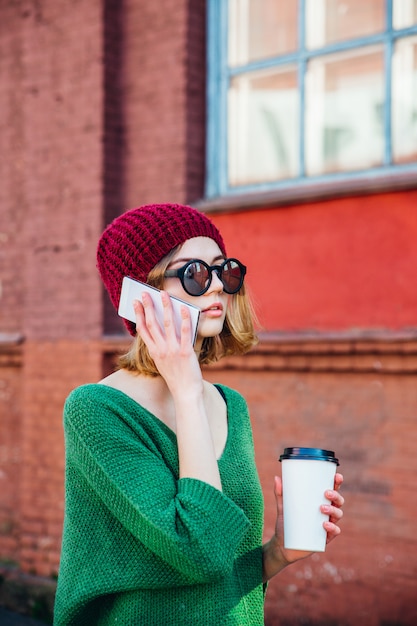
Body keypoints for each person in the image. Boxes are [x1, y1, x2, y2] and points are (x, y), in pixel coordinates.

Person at [54, 203, 344, 625]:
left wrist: (278, 553)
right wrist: (186, 387)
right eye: (194, 273)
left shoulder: (230, 405)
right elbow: (199, 550)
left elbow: (221, 573)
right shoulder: (96, 411)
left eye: (224, 271)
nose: (216, 289)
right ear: (141, 294)